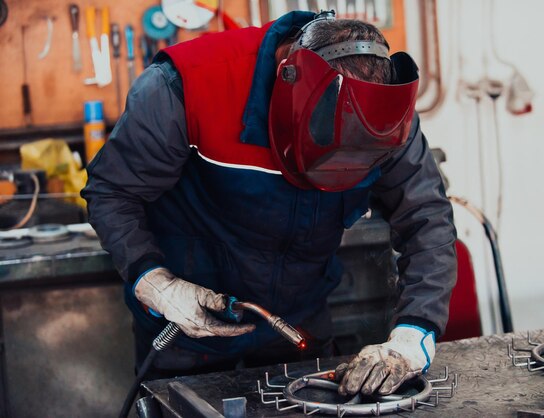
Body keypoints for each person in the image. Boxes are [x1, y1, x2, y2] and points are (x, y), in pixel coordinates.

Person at [81, 10, 457, 396]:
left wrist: (415, 333)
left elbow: (426, 217)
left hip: (298, 328)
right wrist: (154, 282)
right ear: (286, 77)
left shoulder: (386, 118)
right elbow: (112, 191)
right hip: (187, 328)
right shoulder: (188, 84)